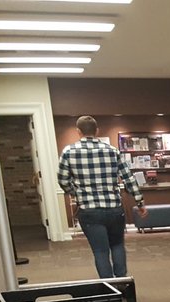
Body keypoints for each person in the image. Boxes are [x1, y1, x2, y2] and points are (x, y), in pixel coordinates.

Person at [58, 115, 146, 278]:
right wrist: (140, 202)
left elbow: (62, 180)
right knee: (118, 245)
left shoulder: (68, 152)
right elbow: (128, 178)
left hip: (89, 210)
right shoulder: (112, 150)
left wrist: (76, 193)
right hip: (114, 209)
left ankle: (110, 290)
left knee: (100, 251)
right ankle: (122, 283)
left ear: (78, 131)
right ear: (97, 131)